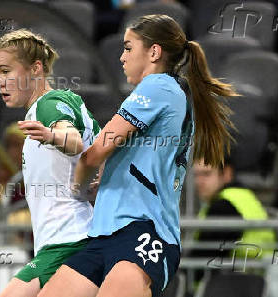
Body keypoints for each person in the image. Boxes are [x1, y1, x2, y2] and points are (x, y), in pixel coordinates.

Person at [38, 14, 239, 297]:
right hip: (105, 235)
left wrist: (77, 189)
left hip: (144, 233)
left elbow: (93, 155)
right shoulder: (172, 93)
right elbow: (135, 162)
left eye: (129, 47)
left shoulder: (158, 87)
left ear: (154, 52)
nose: (121, 57)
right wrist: (105, 186)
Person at [0, 28, 100, 297]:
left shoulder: (49, 104)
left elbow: (73, 140)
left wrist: (52, 135)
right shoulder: (56, 105)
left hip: (70, 240)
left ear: (36, 68)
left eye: (6, 71)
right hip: (63, 243)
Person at [193, 158, 276, 259]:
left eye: (206, 174)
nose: (198, 182)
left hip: (239, 270)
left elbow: (203, 257)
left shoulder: (223, 206)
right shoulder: (241, 196)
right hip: (255, 269)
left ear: (227, 173)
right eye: (196, 175)